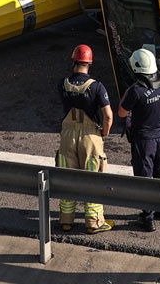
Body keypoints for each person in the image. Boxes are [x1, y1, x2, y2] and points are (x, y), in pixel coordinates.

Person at [56, 44, 113, 234]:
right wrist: (104, 131)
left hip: (67, 136)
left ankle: (66, 220)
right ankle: (94, 222)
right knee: (92, 178)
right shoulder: (97, 87)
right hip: (90, 137)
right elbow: (108, 115)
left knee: (66, 177)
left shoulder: (62, 83)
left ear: (74, 61)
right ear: (90, 64)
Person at [117, 48, 160, 232]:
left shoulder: (136, 90)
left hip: (143, 140)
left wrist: (129, 92)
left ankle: (148, 218)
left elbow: (121, 112)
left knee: (144, 178)